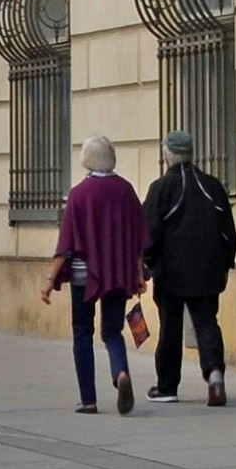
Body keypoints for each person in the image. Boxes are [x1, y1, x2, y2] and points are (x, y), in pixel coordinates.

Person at [42, 136, 149, 417]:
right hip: (117, 270)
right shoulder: (126, 190)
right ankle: (121, 372)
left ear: (87, 159)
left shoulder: (79, 194)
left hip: (83, 274)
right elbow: (138, 239)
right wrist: (139, 275)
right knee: (112, 331)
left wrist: (49, 281)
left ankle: (88, 399)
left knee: (82, 333)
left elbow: (66, 244)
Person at [142, 130, 236, 407]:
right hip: (208, 269)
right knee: (206, 322)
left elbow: (149, 232)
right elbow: (227, 232)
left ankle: (167, 386)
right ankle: (215, 374)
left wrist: (147, 263)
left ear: (167, 154)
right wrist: (225, 264)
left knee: (170, 328)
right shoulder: (213, 186)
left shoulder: (161, 188)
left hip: (171, 271)